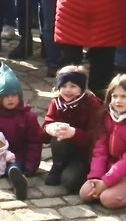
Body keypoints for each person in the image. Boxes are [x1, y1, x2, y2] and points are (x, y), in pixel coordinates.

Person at [82, 72, 126, 209]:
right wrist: (96, 176)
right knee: (86, 193)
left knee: (107, 199)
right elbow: (100, 149)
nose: (118, 101)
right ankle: (108, 185)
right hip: (109, 168)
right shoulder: (107, 116)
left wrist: (106, 182)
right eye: (114, 96)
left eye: (124, 96)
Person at [0, 64, 43, 198]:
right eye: (6, 96)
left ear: (19, 96)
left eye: (14, 95)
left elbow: (34, 142)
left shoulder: (28, 116)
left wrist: (31, 165)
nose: (10, 99)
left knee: (14, 166)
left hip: (17, 155)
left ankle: (18, 181)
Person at [42, 65, 105, 194]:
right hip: (64, 149)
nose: (67, 90)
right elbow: (43, 134)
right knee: (58, 134)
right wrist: (49, 128)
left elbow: (96, 138)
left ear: (81, 88)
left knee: (70, 181)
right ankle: (57, 166)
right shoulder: (56, 102)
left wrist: (74, 133)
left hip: (85, 155)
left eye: (73, 86)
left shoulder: (93, 104)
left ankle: (76, 171)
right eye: (64, 86)